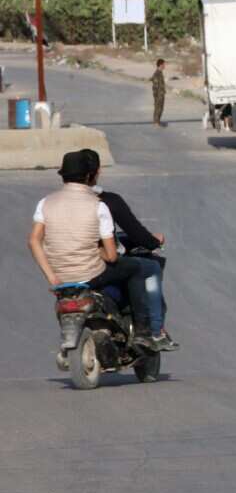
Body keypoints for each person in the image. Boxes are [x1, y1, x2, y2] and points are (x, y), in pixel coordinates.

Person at [28, 150, 158, 350]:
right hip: (91, 274)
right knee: (137, 268)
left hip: (61, 278)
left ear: (63, 176)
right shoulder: (98, 206)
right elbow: (112, 255)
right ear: (90, 176)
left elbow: (34, 241)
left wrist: (52, 277)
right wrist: (98, 251)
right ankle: (142, 331)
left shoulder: (45, 203)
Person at [80, 149, 178, 352]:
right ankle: (153, 331)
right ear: (97, 172)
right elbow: (134, 234)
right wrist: (153, 242)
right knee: (148, 268)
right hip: (98, 266)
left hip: (66, 268)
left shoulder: (53, 203)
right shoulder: (105, 202)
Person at [151, 59, 166, 126]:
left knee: (160, 107)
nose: (165, 66)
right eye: (164, 64)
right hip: (158, 94)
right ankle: (156, 122)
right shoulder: (157, 73)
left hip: (161, 93)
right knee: (158, 107)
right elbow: (155, 86)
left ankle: (157, 121)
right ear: (160, 65)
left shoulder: (160, 73)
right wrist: (156, 95)